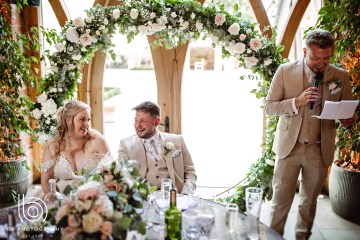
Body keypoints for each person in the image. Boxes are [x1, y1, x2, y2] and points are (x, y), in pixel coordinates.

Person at [265, 29, 355, 239]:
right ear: (304, 51)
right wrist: (297, 101)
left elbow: (347, 112)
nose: (321, 63)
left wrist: (348, 120)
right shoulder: (285, 72)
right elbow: (269, 107)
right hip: (290, 147)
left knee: (309, 204)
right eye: (316, 57)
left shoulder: (340, 76)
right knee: (280, 202)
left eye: (326, 58)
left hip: (319, 149)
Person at [118, 101, 197, 194]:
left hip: (176, 198)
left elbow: (190, 173)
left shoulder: (178, 141)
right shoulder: (125, 144)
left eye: (143, 121)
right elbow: (123, 176)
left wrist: (185, 195)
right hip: (143, 201)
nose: (137, 125)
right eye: (136, 120)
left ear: (156, 121)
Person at [41, 100, 111, 194]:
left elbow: (112, 174)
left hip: (94, 198)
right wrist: (56, 201)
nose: (86, 124)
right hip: (59, 199)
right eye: (82, 119)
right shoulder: (53, 145)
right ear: (67, 120)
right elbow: (46, 182)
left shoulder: (98, 141)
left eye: (88, 119)